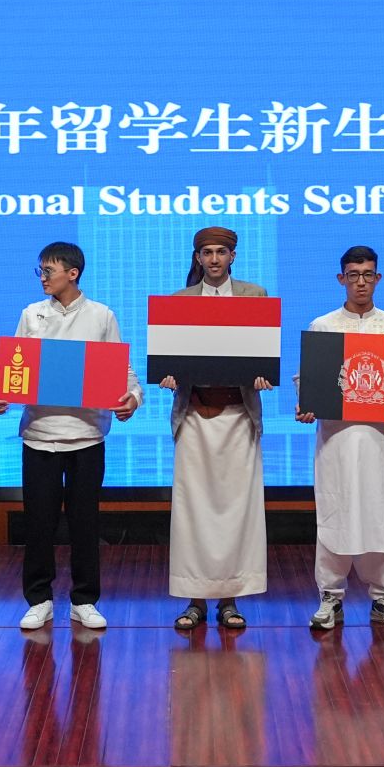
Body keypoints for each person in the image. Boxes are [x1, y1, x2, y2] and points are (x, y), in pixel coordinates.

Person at [0, 241, 140, 631]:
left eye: (48, 270)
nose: (42, 277)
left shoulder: (101, 315)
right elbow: (13, 369)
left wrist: (132, 398)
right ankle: (39, 600)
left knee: (85, 524)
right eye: (39, 270)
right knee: (38, 524)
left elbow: (123, 372)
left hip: (87, 436)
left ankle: (84, 600)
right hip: (39, 435)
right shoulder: (31, 314)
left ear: (73, 273)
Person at [297, 245, 384, 631]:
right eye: (353, 275)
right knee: (334, 513)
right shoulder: (323, 325)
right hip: (336, 440)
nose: (361, 282)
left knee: (380, 513)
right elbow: (310, 380)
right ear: (342, 279)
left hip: (378, 440)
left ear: (378, 278)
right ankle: (330, 596)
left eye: (368, 274)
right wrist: (306, 404)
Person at [158, 227, 271, 633]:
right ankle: (194, 600)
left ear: (233, 256)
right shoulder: (180, 301)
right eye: (207, 252)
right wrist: (168, 374)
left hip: (238, 416)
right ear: (198, 257)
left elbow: (263, 355)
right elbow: (170, 358)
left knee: (236, 512)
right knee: (194, 511)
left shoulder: (254, 296)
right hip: (194, 416)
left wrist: (263, 376)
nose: (214, 259)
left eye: (221, 252)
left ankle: (229, 599)